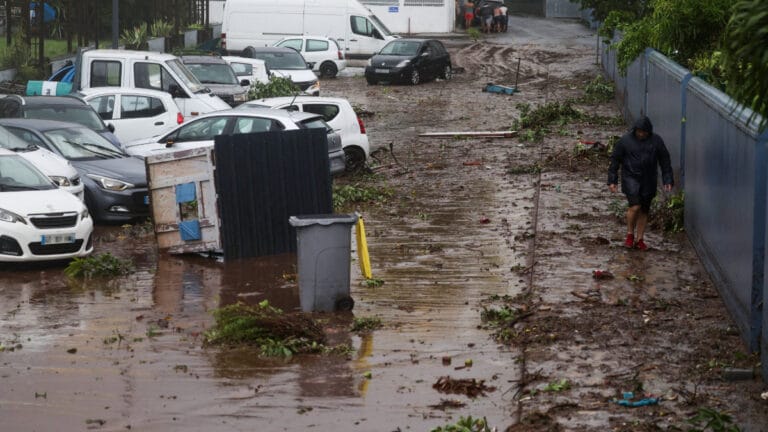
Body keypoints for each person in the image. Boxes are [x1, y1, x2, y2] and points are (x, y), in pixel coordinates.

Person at [607, 116, 673, 250]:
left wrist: (668, 179)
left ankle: (640, 239)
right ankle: (630, 234)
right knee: (635, 206)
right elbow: (615, 160)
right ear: (635, 130)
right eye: (639, 131)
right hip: (631, 178)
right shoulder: (625, 141)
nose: (641, 134)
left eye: (644, 132)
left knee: (644, 209)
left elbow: (664, 160)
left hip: (649, 179)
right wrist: (612, 180)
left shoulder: (656, 141)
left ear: (649, 132)